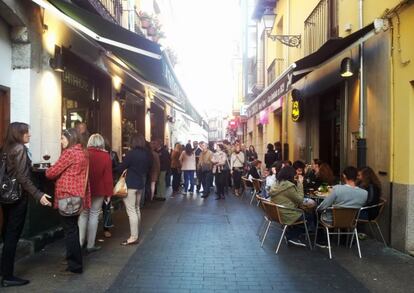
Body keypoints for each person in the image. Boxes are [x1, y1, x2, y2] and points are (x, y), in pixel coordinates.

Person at [0, 122, 51, 287]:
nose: (29, 135)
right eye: (27, 133)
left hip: (6, 196)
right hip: (18, 197)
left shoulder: (6, 147)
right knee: (12, 236)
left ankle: (3, 270)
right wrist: (38, 194)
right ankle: (7, 276)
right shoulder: (20, 149)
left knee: (7, 233)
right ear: (19, 134)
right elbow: (23, 178)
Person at [46, 128, 89, 275]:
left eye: (62, 138)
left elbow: (52, 172)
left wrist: (47, 169)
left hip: (67, 196)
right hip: (78, 197)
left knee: (70, 231)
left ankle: (75, 265)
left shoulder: (69, 153)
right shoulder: (83, 152)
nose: (61, 141)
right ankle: (75, 262)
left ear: (70, 139)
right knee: (73, 229)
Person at [78, 134, 112, 254]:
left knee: (83, 215)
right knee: (94, 215)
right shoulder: (105, 156)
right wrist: (109, 193)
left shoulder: (84, 153)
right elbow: (108, 177)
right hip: (99, 190)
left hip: (84, 189)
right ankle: (90, 244)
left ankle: (80, 242)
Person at [116, 134, 151, 246]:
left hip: (131, 184)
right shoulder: (146, 154)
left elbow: (122, 167)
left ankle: (133, 237)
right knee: (136, 208)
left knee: (131, 210)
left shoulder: (131, 154)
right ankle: (136, 232)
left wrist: (113, 168)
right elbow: (149, 167)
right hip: (140, 184)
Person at [268, 166, 307, 246]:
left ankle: (290, 233)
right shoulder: (288, 187)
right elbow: (300, 200)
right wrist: (300, 184)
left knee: (302, 212)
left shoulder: (276, 183)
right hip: (287, 215)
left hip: (277, 214)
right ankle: (292, 236)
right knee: (310, 216)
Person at [103, 139, 119, 238]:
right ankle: (106, 229)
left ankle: (106, 228)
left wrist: (110, 171)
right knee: (106, 206)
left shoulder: (112, 154)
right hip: (104, 182)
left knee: (106, 206)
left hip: (108, 181)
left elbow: (116, 167)